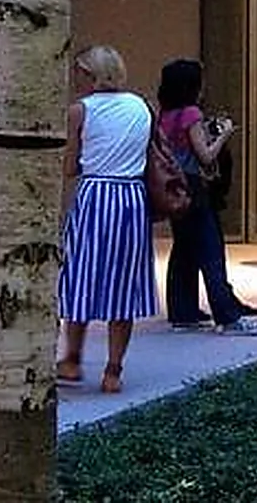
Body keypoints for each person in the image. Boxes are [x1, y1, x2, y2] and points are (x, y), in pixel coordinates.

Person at [57, 45, 159, 393]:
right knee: (124, 285)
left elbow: (69, 167)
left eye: (79, 72)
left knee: (81, 276)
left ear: (91, 74)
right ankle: (113, 370)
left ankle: (72, 358)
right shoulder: (141, 106)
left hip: (95, 194)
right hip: (132, 197)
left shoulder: (80, 111)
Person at [158, 59, 257, 335]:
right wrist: (224, 135)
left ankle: (183, 311)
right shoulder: (191, 114)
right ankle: (227, 316)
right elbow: (205, 156)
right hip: (193, 185)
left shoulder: (165, 115)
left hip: (174, 187)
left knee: (183, 249)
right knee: (211, 251)